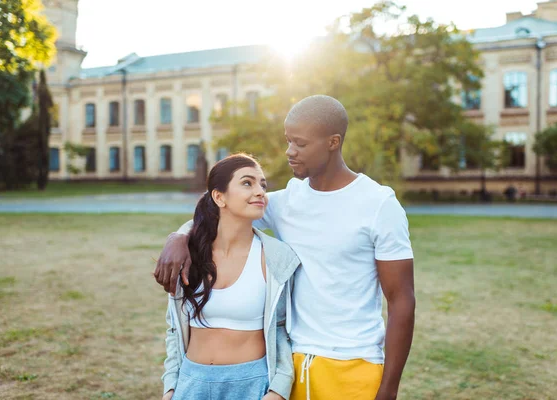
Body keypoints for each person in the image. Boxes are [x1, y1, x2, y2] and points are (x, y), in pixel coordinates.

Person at [155, 95, 415, 400]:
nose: (289, 152)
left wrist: (389, 390)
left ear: (333, 142)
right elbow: (220, 211)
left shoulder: (378, 203)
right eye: (288, 141)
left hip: (353, 365)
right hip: (291, 366)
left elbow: (402, 301)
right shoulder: (285, 202)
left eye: (300, 144)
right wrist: (179, 237)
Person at [160, 154, 299, 400]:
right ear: (219, 197)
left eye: (263, 185)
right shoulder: (189, 255)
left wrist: (278, 391)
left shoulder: (276, 257)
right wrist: (171, 386)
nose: (260, 192)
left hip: (251, 386)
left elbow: (283, 330)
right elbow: (174, 328)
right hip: (192, 383)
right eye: (247, 183)